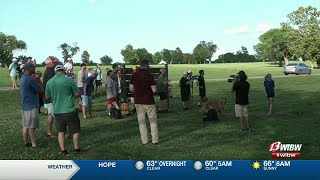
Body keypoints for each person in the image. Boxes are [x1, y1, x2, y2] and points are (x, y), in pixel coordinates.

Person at [45, 65, 81, 156]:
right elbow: (77, 93)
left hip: (57, 111)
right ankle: (76, 149)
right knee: (75, 130)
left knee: (61, 131)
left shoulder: (50, 82)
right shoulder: (69, 80)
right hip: (70, 110)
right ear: (64, 71)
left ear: (55, 71)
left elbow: (47, 97)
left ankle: (63, 150)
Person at [130, 59, 158, 145]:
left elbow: (131, 89)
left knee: (142, 122)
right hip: (149, 101)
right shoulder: (149, 75)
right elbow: (154, 90)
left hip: (138, 101)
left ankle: (144, 141)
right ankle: (155, 140)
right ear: (146, 65)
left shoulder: (134, 75)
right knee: (152, 121)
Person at [20, 63, 43, 148]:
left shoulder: (22, 77)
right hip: (32, 105)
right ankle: (34, 145)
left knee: (25, 125)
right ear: (29, 68)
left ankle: (26, 142)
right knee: (32, 127)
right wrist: (37, 79)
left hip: (24, 105)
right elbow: (40, 89)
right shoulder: (31, 79)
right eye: (33, 67)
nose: (34, 69)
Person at [43, 56, 58, 137]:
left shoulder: (48, 71)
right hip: (51, 97)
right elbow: (51, 85)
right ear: (49, 63)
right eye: (54, 62)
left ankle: (50, 131)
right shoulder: (51, 72)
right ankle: (59, 131)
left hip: (48, 96)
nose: (55, 63)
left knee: (51, 114)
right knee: (54, 114)